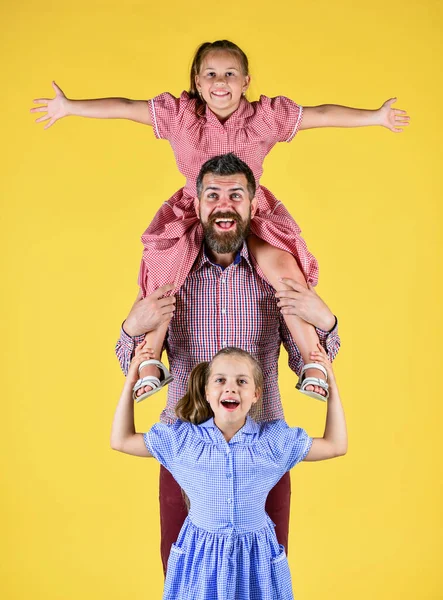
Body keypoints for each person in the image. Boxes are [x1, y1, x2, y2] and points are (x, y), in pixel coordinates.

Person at [31, 39, 409, 400]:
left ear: (246, 81)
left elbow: (320, 114)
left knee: (285, 270)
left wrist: (375, 117)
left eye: (230, 74)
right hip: (195, 212)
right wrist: (70, 107)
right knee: (164, 277)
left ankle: (313, 360)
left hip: (248, 212)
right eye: (210, 74)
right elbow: (127, 107)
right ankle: (147, 359)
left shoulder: (265, 118)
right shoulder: (181, 117)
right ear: (197, 81)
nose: (220, 83)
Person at [114, 153, 341, 573]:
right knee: (182, 572)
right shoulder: (171, 275)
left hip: (263, 451)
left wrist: (325, 319)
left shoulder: (274, 275)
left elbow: (313, 359)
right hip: (186, 449)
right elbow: (132, 358)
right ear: (198, 205)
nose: (224, 204)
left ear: (252, 206)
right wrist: (131, 327)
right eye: (213, 194)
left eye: (236, 195)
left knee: (264, 575)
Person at [110, 341, 347, 600]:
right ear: (207, 392)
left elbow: (336, 445)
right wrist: (131, 378)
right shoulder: (183, 442)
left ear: (257, 393)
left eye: (242, 381)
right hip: (200, 563)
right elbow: (121, 440)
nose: (231, 387)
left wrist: (332, 385)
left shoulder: (272, 443)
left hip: (256, 562)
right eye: (220, 380)